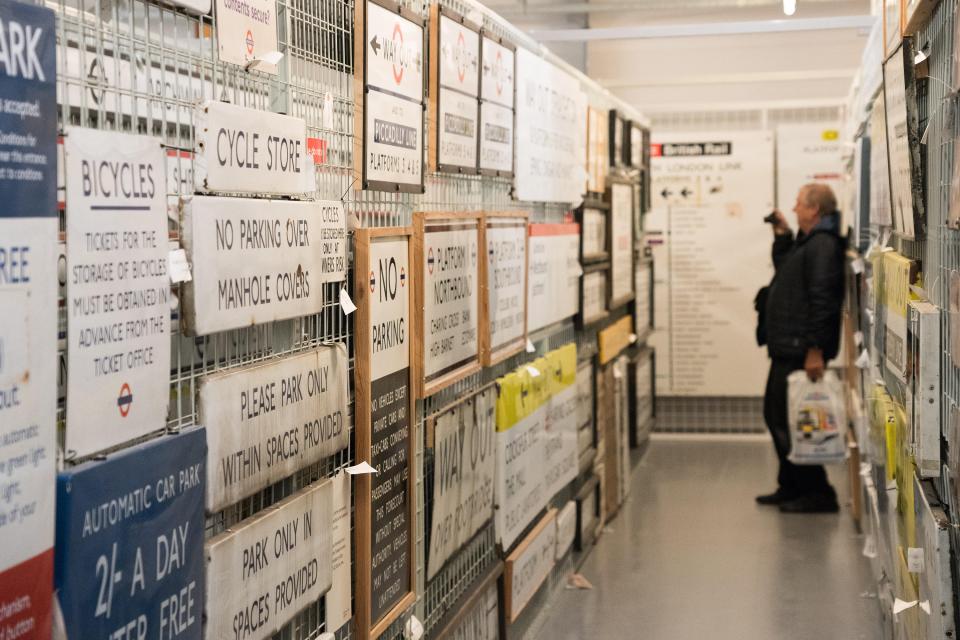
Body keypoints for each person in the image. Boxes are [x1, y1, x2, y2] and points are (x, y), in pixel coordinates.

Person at [757, 183, 845, 513]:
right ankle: (791, 486)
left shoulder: (822, 246)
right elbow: (787, 272)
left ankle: (818, 493)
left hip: (800, 350)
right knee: (777, 416)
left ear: (814, 210)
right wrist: (782, 235)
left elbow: (824, 301)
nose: (794, 208)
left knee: (791, 421)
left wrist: (815, 349)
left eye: (798, 204)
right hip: (788, 347)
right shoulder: (808, 242)